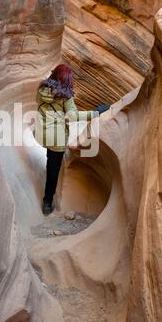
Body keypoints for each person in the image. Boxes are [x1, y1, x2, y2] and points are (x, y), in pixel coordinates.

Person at [34, 64, 110, 216]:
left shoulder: (42, 89)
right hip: (57, 138)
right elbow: (74, 116)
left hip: (42, 133)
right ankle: (47, 202)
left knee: (50, 158)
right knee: (53, 170)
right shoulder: (64, 95)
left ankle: (50, 169)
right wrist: (95, 113)